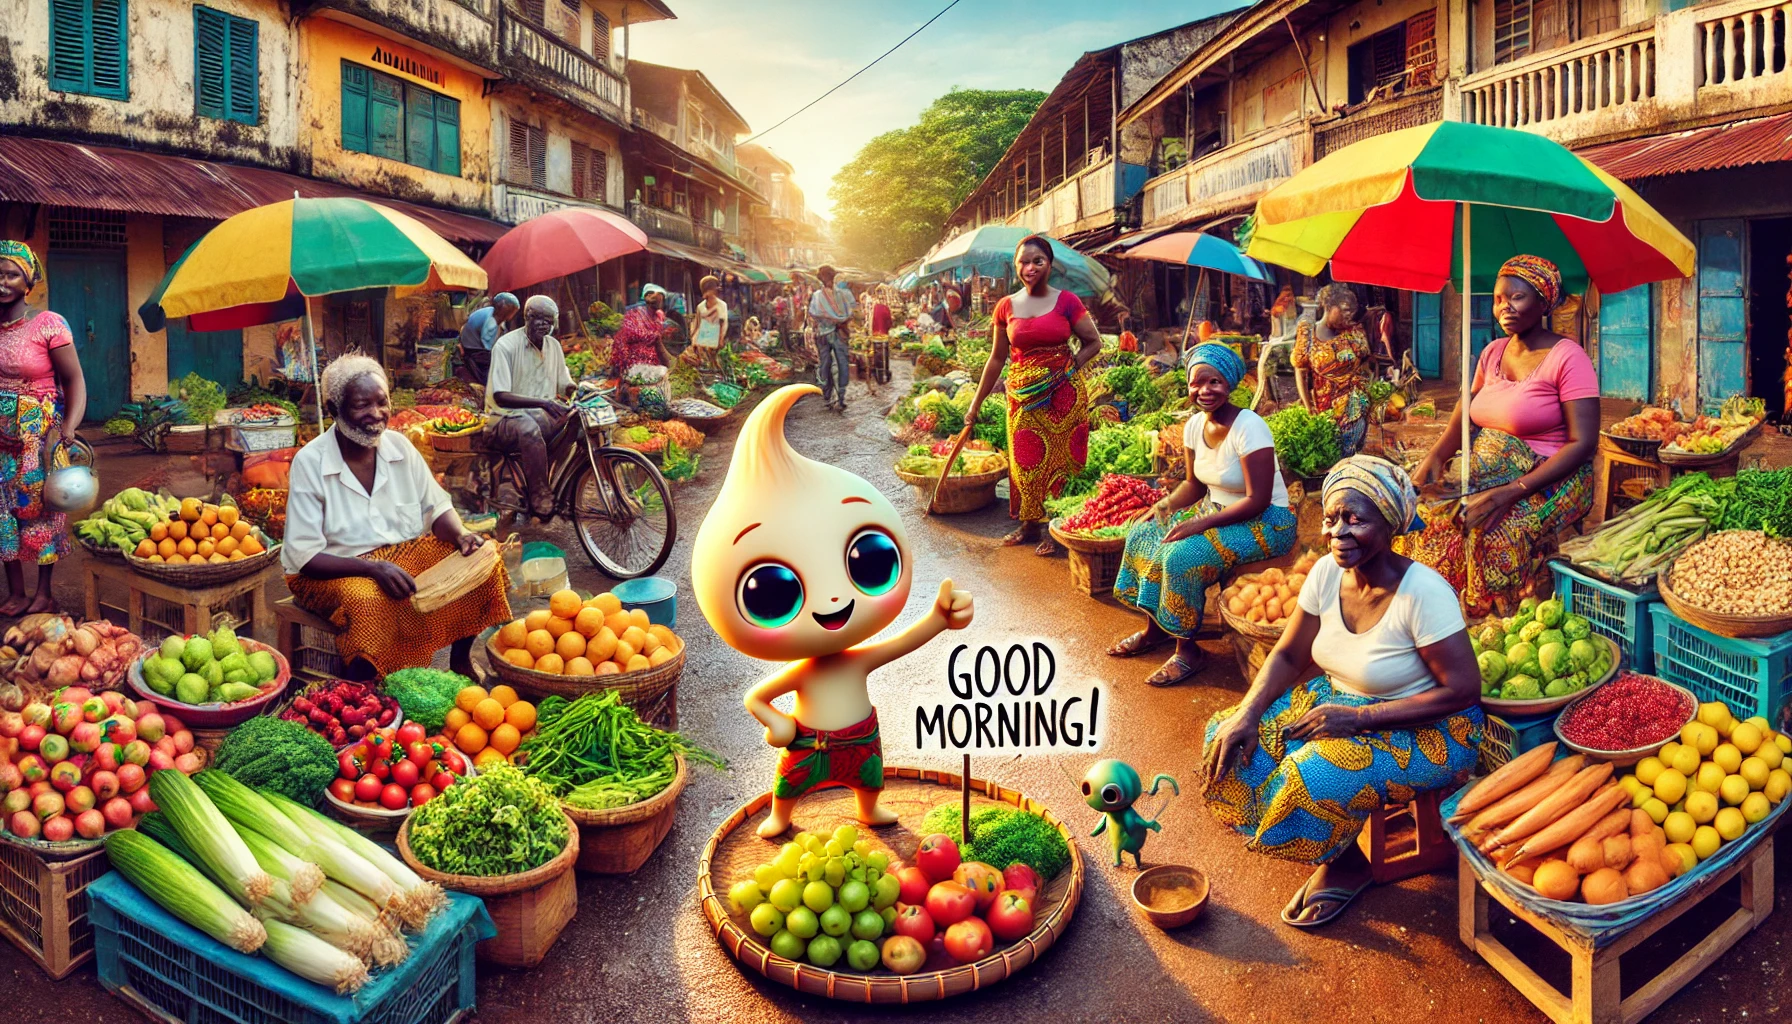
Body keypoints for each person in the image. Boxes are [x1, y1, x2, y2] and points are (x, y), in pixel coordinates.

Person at [1202, 456, 1482, 928]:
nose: (1338, 533)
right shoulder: (1325, 574)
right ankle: (1333, 839)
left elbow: (1463, 691)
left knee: (1310, 775)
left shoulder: (1424, 593)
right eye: (1332, 519)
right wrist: (1248, 712)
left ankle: (1345, 862)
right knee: (1225, 734)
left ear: (1389, 523)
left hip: (1429, 728)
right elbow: (1290, 655)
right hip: (1338, 703)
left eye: (1356, 520)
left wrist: (1358, 720)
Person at [284, 355, 510, 680]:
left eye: (382, 402)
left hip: (396, 555)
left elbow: (437, 508)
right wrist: (372, 568)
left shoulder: (400, 447)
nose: (376, 414)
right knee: (370, 602)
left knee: (482, 561)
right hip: (329, 571)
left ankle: (460, 662)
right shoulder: (310, 462)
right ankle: (370, 688)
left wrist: (461, 535)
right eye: (362, 405)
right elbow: (303, 555)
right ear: (334, 410)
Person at [1400, 255, 1599, 617]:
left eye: (1517, 298)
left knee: (1492, 533)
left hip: (1552, 476)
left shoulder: (1568, 357)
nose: (1504, 307)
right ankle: (1433, 608)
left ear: (1543, 301)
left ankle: (1495, 616)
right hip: (1490, 464)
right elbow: (1467, 417)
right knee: (1423, 509)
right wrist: (1436, 456)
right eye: (1497, 299)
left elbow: (1583, 444)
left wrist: (1509, 494)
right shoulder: (1492, 352)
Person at [1109, 343, 1297, 685]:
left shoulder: (1249, 426)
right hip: (1218, 512)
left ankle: (1188, 650)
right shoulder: (1194, 425)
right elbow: (1194, 485)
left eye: (1214, 382)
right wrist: (1162, 507)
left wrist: (1200, 523)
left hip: (1266, 520)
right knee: (1144, 534)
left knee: (1182, 555)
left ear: (1230, 384)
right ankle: (1157, 629)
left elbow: (1258, 499)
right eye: (1197, 383)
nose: (1204, 391)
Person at [956, 235, 1102, 556]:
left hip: (1064, 397)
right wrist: (975, 404)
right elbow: (996, 358)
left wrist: (1069, 367)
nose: (1030, 267)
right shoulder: (1006, 306)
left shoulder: (1067, 302)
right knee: (1025, 460)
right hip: (1022, 397)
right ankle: (1029, 524)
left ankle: (1056, 524)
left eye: (1038, 261)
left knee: (1062, 463)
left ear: (1050, 265)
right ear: (1015, 265)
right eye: (1024, 261)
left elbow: (1093, 342)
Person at [0, 241, 86, 614]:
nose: (2, 281)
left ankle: (43, 591)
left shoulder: (48, 323)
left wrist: (69, 427)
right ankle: (16, 591)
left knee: (40, 508)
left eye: (11, 274)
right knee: (3, 510)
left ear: (28, 280)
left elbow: (74, 379)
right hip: (1, 438)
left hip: (39, 436)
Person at [485, 295, 574, 518]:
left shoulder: (553, 346)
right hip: (503, 417)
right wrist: (543, 402)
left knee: (577, 420)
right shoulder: (505, 346)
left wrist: (578, 390)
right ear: (527, 318)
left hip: (539, 413)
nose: (544, 325)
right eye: (539, 319)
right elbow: (501, 395)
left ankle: (562, 481)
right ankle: (539, 492)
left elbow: (565, 384)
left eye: (549, 320)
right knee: (528, 428)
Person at [1293, 283, 1373, 457]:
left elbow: (1365, 362)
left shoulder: (1354, 332)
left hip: (1356, 405)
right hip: (1326, 406)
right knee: (1332, 451)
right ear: (1328, 306)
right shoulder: (1308, 333)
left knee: (1352, 452)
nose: (1348, 315)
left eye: (1351, 311)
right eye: (1344, 310)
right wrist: (1308, 407)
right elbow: (1300, 371)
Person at [808, 265, 857, 412]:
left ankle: (836, 396)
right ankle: (830, 396)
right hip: (829, 334)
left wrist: (835, 319)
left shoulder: (839, 295)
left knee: (837, 364)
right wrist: (837, 319)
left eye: (828, 277)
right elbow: (815, 313)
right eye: (826, 277)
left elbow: (848, 312)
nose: (828, 280)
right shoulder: (822, 295)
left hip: (834, 333)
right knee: (829, 365)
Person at [611, 284, 676, 373]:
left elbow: (660, 344)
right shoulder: (634, 314)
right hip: (634, 365)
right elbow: (628, 335)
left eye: (662, 299)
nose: (661, 302)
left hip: (653, 366)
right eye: (659, 299)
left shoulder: (658, 317)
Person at [691, 275, 728, 371]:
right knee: (703, 367)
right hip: (702, 341)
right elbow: (697, 324)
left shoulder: (722, 305)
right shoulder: (700, 307)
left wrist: (721, 339)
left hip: (715, 340)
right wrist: (693, 339)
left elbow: (723, 324)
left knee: (715, 365)